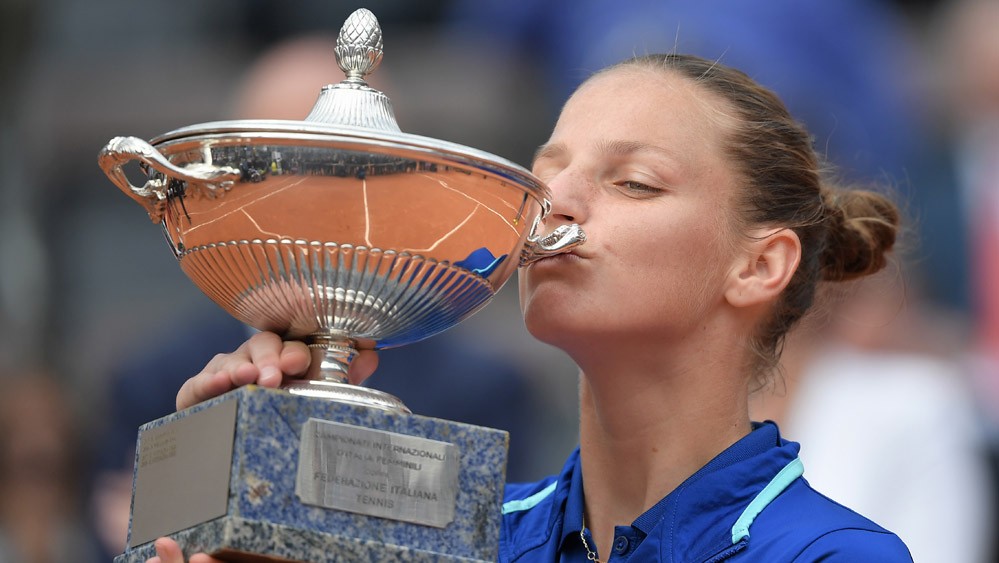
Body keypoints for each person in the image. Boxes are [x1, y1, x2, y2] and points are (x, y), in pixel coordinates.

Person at [148, 53, 911, 562]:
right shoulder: (460, 539)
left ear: (758, 264)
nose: (555, 205)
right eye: (545, 177)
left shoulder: (831, 553)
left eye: (633, 182)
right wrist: (260, 474)